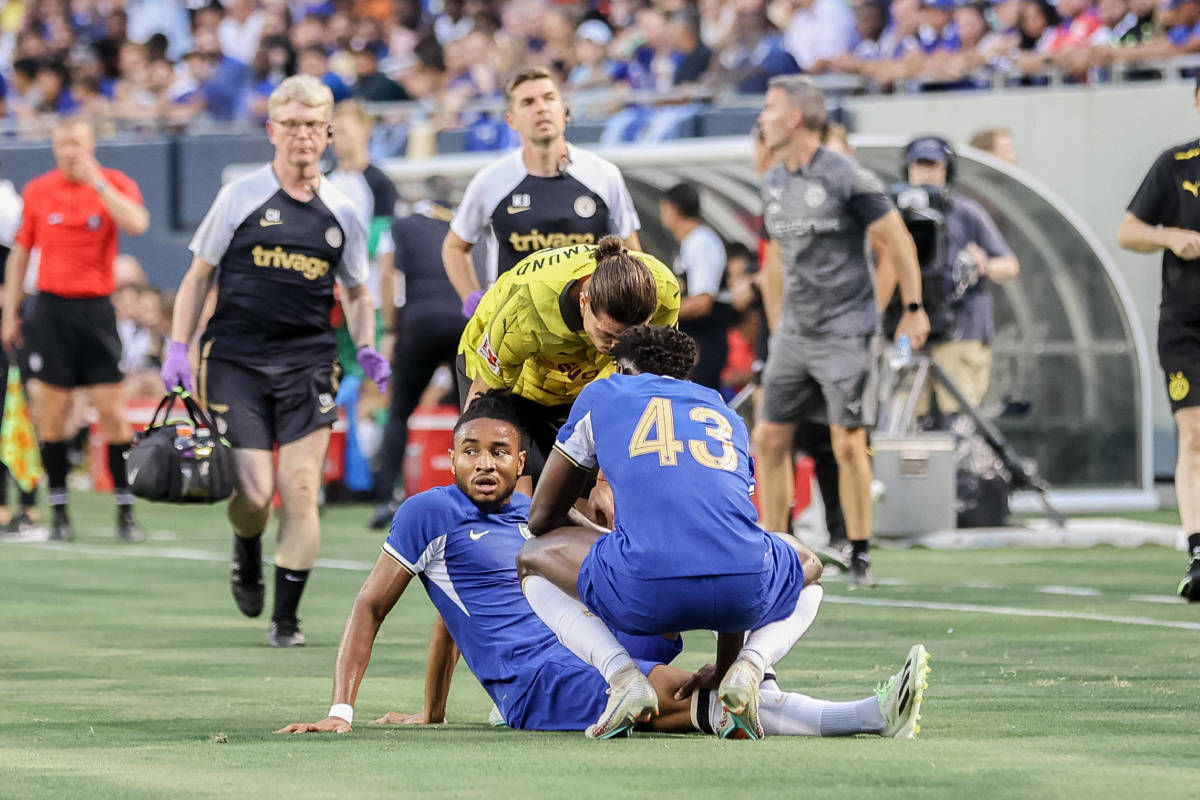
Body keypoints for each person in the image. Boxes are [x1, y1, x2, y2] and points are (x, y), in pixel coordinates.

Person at [275, 390, 930, 739]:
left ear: (522, 460)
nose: (484, 463)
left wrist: (436, 713)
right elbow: (373, 606)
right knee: (689, 700)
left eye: (499, 451)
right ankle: (862, 716)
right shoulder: (428, 514)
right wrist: (342, 710)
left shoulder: (543, 518)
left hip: (599, 642)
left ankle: (737, 673)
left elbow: (452, 619)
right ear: (450, 457)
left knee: (759, 578)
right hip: (538, 679)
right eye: (469, 450)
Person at [515, 326, 909, 740]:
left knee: (530, 556)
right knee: (806, 567)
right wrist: (726, 666)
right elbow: (733, 532)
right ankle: (751, 667)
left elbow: (542, 517)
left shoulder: (604, 393)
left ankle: (622, 677)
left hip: (642, 589)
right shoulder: (722, 409)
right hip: (741, 590)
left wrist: (601, 534)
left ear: (622, 368)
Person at [160, 75, 391, 647]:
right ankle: (246, 548)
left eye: (313, 126)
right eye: (290, 125)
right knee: (256, 494)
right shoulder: (239, 195)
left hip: (308, 360)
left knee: (303, 487)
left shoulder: (344, 209)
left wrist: (367, 344)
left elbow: (358, 292)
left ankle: (286, 618)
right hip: (235, 358)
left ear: (330, 133)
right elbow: (197, 276)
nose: (302, 137)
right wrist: (177, 344)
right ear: (272, 130)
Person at [750, 76, 929, 589]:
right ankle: (776, 548)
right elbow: (776, 261)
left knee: (849, 444)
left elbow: (898, 242)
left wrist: (911, 309)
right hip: (795, 334)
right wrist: (780, 320)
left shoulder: (848, 177)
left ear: (795, 117)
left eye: (768, 108)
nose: (761, 118)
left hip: (846, 332)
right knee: (768, 436)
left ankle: (861, 552)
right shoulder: (772, 180)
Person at [0, 117, 150, 543]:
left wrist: (98, 183)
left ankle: (125, 510)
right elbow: (20, 254)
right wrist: (12, 310)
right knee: (52, 415)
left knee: (113, 412)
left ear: (92, 145)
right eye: (64, 144)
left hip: (97, 309)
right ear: (53, 147)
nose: (71, 152)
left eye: (78, 144)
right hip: (50, 308)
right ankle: (60, 513)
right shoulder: (38, 190)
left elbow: (138, 223)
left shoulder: (114, 182)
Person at [457, 235, 679, 491]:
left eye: (630, 337)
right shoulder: (527, 307)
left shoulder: (666, 293)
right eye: (608, 335)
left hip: (579, 379)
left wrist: (605, 482)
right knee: (512, 501)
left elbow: (647, 394)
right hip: (511, 379)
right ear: (584, 302)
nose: (617, 348)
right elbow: (484, 401)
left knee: (587, 502)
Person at [442, 67, 642, 318]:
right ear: (511, 121)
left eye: (549, 98)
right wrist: (472, 300)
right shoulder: (490, 181)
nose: (541, 108)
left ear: (564, 111)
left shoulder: (604, 175)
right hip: (518, 330)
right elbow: (454, 247)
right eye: (528, 102)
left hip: (589, 329)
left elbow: (633, 254)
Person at [1117, 81, 1200, 601]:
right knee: (1193, 433)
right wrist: (1170, 237)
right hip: (1186, 325)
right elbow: (1129, 230)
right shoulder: (1176, 164)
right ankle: (1197, 550)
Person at [367, 178, 476, 529]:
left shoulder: (400, 227)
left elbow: (387, 275)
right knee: (471, 412)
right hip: (464, 320)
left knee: (400, 411)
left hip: (419, 322)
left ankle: (386, 497)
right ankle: (477, 495)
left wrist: (391, 326)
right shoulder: (461, 225)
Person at [889, 136, 1019, 421]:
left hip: (959, 331)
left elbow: (1010, 265)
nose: (926, 173)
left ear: (947, 170)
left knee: (958, 420)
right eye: (919, 165)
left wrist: (982, 265)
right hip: (907, 331)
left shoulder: (966, 213)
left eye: (933, 166)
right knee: (905, 419)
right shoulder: (892, 215)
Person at [659, 182, 734, 391]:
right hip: (693, 342)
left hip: (704, 342)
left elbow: (702, 302)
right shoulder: (688, 243)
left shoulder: (701, 242)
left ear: (672, 209)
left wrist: (658, 317)